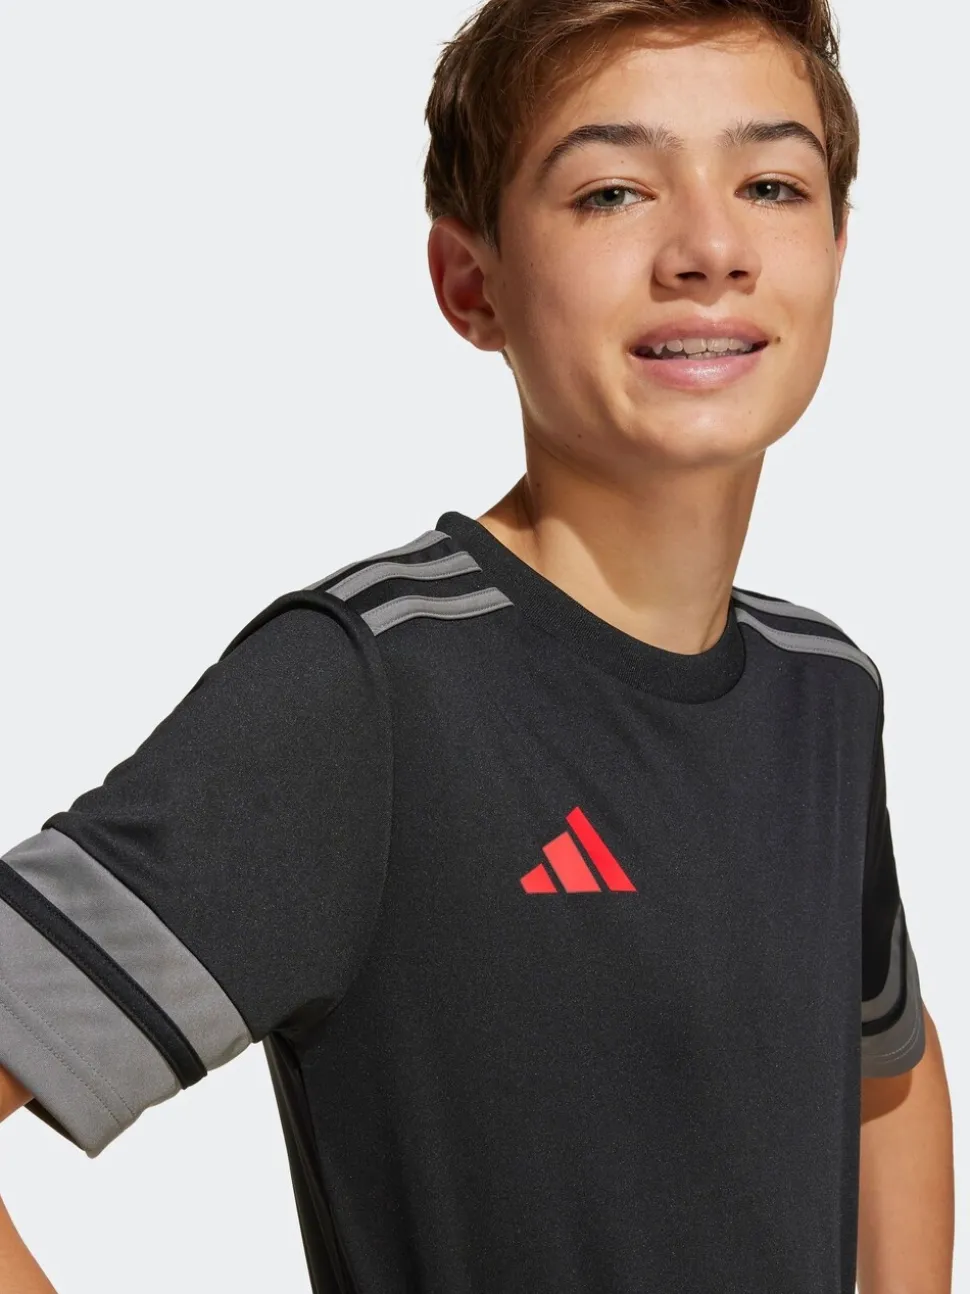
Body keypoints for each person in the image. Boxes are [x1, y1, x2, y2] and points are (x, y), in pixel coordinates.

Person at [0, 0, 956, 1290]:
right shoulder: (374, 691)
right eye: (613, 192)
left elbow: (886, 1072)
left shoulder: (824, 690)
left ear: (837, 246)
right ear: (472, 283)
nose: (710, 248)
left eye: (771, 184)